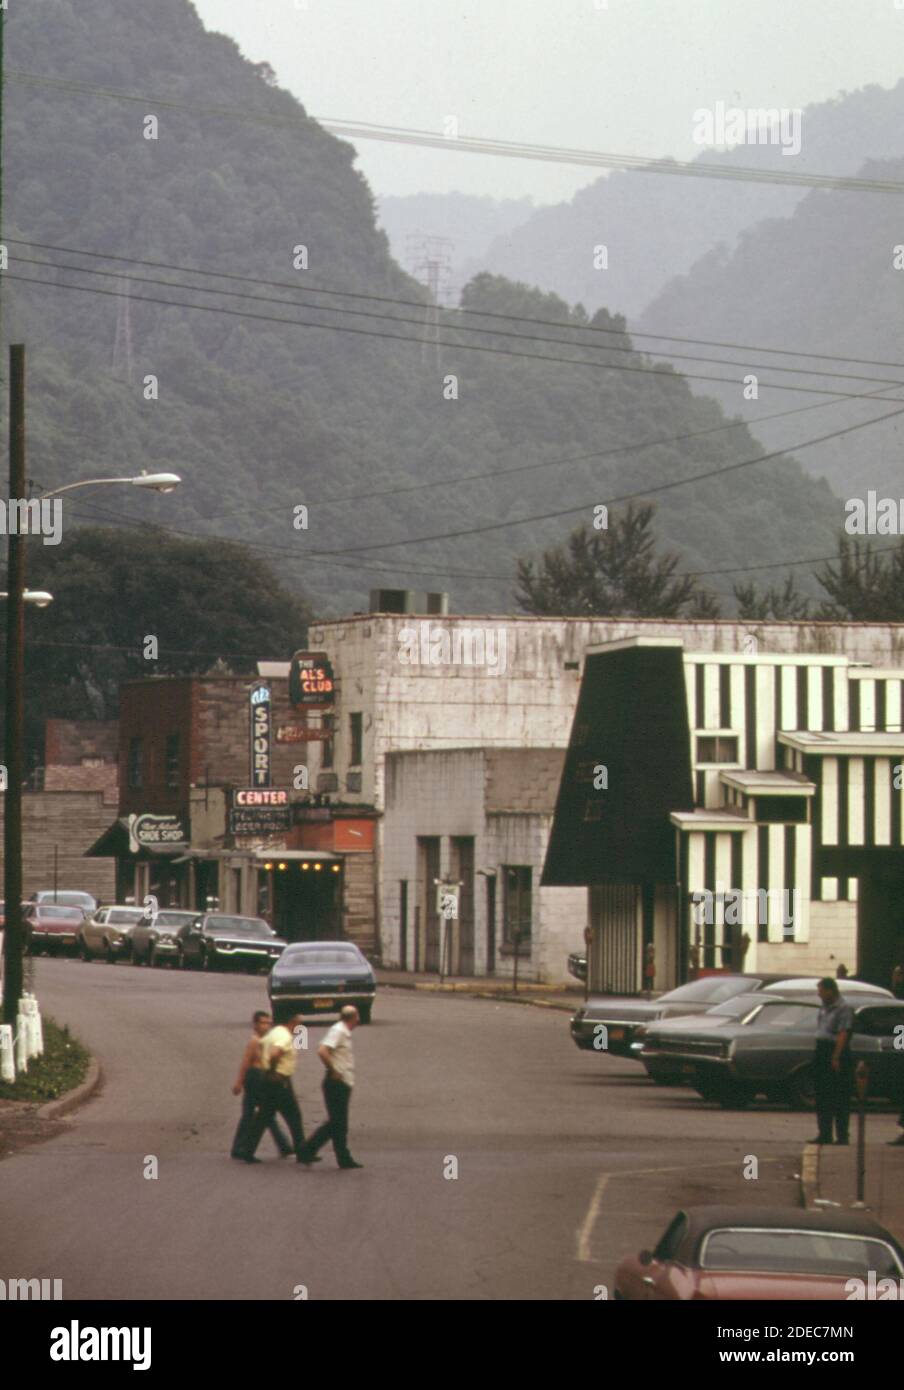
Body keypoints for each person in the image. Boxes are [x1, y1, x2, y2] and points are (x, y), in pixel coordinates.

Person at [241, 1013, 313, 1164]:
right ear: (292, 1021)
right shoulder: (284, 1036)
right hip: (280, 1081)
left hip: (268, 1079)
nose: (300, 1027)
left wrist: (267, 1068)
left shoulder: (274, 1033)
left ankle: (248, 1151)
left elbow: (262, 1048)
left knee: (263, 1117)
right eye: (299, 1023)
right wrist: (274, 1069)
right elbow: (274, 1054)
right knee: (294, 1117)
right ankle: (302, 1153)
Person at [298, 1005, 363, 1170]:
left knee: (337, 1123)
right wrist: (333, 1069)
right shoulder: (339, 1031)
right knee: (337, 1123)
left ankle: (336, 1156)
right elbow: (322, 1050)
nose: (359, 1020)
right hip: (336, 1083)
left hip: (342, 1082)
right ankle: (310, 1150)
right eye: (357, 1017)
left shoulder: (342, 1031)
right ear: (352, 1018)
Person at [230, 1010, 293, 1161]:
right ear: (256, 1025)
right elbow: (246, 1063)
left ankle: (283, 1145)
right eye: (263, 1023)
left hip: (263, 1078)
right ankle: (240, 1147)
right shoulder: (255, 1041)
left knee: (265, 1113)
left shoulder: (269, 1040)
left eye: (269, 1023)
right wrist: (239, 1082)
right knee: (254, 1113)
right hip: (253, 1078)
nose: (266, 1026)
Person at [811, 978, 854, 1146]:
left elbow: (844, 1033)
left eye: (821, 991)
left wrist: (836, 1056)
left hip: (835, 1050)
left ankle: (842, 1135)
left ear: (831, 991)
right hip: (821, 1050)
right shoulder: (824, 1007)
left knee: (839, 1094)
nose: (819, 994)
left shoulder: (843, 1008)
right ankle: (825, 1133)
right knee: (822, 1094)